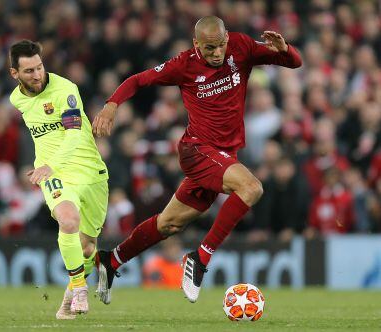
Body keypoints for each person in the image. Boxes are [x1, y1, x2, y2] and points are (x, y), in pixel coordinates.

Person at [93, 16, 302, 304]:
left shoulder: (242, 47)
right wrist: (112, 104)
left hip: (223, 156)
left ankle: (111, 260)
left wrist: (284, 49)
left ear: (227, 38)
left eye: (220, 46)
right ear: (196, 45)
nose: (216, 53)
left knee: (169, 224)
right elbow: (138, 79)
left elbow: (294, 63)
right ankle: (200, 259)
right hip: (197, 150)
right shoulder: (184, 64)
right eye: (209, 48)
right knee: (251, 188)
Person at [8, 40, 109, 318]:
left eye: (39, 67)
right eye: (28, 71)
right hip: (53, 174)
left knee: (88, 247)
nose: (37, 75)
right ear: (14, 73)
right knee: (68, 220)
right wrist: (48, 166)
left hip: (90, 173)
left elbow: (74, 135)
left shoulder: (65, 90)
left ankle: (69, 294)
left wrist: (51, 163)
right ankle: (79, 288)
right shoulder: (16, 99)